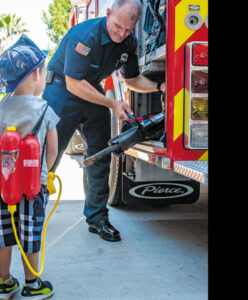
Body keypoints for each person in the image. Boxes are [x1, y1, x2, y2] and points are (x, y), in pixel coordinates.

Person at [42, 0, 165, 242]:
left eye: (128, 30)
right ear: (108, 14)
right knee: (48, 156)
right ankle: (28, 214)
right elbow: (73, 83)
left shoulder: (129, 42)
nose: (122, 34)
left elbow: (132, 80)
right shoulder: (85, 35)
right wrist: (112, 103)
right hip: (61, 92)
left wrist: (161, 86)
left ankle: (97, 219)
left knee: (100, 155)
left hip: (92, 92)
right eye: (118, 27)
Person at [0, 36, 60, 300]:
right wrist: (46, 173)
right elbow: (52, 148)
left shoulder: (0, 108)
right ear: (35, 74)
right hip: (32, 187)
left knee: (3, 236)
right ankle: (32, 284)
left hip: (2, 189)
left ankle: (5, 283)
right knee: (30, 234)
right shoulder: (44, 109)